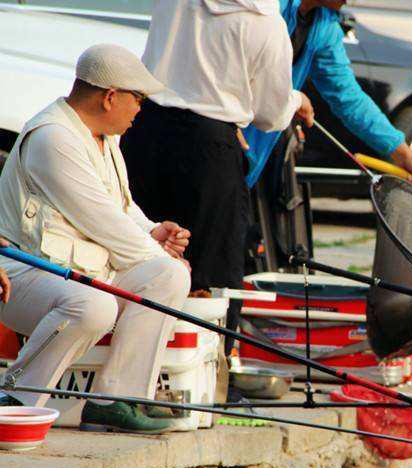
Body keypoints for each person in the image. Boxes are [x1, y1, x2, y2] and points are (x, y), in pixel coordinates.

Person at [0, 44, 191, 434]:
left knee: (169, 276)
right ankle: (17, 395)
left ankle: (116, 400)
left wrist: (153, 231)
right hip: (20, 275)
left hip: (80, 271)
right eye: (138, 99)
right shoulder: (53, 138)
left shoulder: (103, 138)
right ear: (110, 97)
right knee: (94, 305)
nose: (141, 110)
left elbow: (119, 207)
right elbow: (104, 222)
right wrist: (153, 250)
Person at [121, 0, 312, 348]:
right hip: (209, 152)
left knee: (135, 259)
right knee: (209, 277)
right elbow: (270, 115)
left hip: (144, 133)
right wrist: (296, 101)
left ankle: (133, 374)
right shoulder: (266, 24)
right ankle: (206, 378)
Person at [241, 0, 412, 206]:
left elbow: (348, 97)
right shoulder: (266, 6)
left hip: (248, 154)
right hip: (217, 134)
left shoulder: (324, 24)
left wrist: (402, 152)